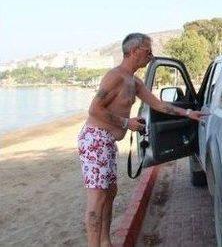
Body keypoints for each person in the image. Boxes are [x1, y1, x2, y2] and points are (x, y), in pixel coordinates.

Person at [78, 33, 207, 247]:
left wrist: (188, 114)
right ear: (134, 51)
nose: (151, 55)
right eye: (148, 51)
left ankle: (105, 242)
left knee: (110, 194)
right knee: (97, 200)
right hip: (95, 141)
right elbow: (94, 109)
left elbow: (159, 105)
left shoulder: (134, 81)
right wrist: (126, 123)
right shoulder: (115, 77)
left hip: (107, 142)